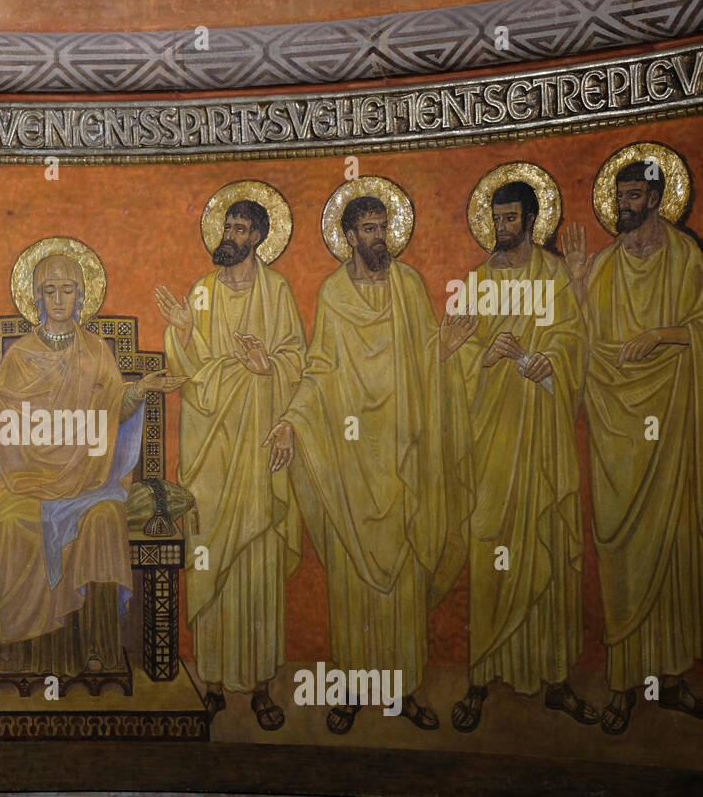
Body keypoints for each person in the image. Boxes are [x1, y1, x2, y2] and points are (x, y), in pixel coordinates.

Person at [267, 188, 473, 734]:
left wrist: (445, 350)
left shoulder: (408, 286)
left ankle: (402, 691)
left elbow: (423, 352)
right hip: (351, 459)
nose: (380, 237)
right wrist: (290, 420)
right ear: (349, 237)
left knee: (401, 585)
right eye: (369, 229)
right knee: (354, 581)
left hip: (401, 452)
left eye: (384, 227)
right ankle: (355, 689)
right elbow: (320, 369)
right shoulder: (334, 295)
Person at [0, 249, 184, 691]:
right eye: (49, 290)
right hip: (27, 477)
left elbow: (113, 405)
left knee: (106, 520)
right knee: (12, 523)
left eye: (67, 289)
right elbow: (4, 406)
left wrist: (140, 390)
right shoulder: (20, 355)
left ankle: (98, 649)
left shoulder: (96, 350)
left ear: (81, 294)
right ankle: (21, 650)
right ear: (35, 297)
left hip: (87, 479)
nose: (58, 298)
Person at [560, 155, 703, 734]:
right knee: (620, 552)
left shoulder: (685, 256)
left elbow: (700, 323)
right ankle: (624, 684)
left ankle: (668, 680)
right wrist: (573, 279)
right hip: (615, 428)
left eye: (634, 195)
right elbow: (581, 337)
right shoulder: (603, 264)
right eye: (619, 195)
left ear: (657, 198)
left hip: (669, 424)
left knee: (670, 551)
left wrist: (661, 335)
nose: (624, 204)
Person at [449, 177, 594, 732]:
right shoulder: (475, 282)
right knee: (492, 551)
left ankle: (556, 681)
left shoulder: (554, 276)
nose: (502, 228)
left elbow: (572, 338)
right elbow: (453, 357)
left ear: (531, 222)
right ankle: (481, 678)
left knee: (548, 549)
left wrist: (547, 359)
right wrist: (484, 358)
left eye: (512, 219)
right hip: (491, 442)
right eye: (497, 218)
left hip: (542, 438)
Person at [155, 195, 305, 728]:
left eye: (243, 228)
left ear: (260, 237)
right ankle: (214, 682)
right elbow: (190, 373)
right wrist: (184, 330)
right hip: (212, 448)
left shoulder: (278, 291)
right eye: (229, 225)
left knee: (257, 561)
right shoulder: (202, 292)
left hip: (260, 441)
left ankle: (262, 686)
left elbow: (297, 361)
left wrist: (269, 369)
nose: (232, 234)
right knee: (211, 555)